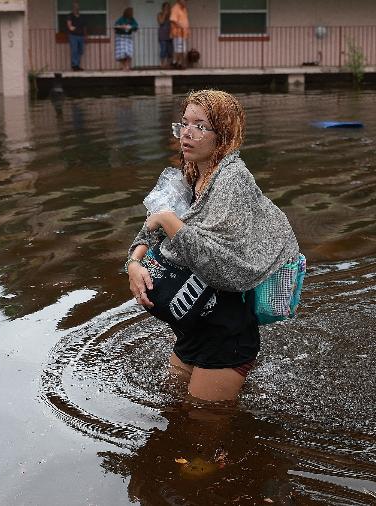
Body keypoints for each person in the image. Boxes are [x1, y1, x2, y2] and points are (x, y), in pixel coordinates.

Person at [125, 90, 299, 402]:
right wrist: (134, 264)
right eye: (184, 124)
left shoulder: (233, 180)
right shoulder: (189, 174)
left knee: (203, 425)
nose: (187, 133)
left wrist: (168, 221)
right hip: (192, 327)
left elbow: (223, 266)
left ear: (224, 136)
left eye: (200, 126)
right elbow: (148, 230)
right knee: (175, 406)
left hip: (224, 332)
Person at [169, 0, 190, 69]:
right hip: (178, 32)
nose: (186, 2)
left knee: (182, 49)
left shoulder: (184, 9)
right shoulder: (175, 8)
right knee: (179, 49)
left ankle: (178, 63)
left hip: (183, 33)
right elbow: (173, 20)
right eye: (184, 0)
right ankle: (177, 63)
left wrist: (186, 27)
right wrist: (181, 26)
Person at [66, 2, 86, 71]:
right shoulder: (70, 15)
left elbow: (84, 26)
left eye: (77, 7)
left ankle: (77, 65)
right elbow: (69, 24)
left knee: (80, 51)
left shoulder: (81, 16)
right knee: (74, 50)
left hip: (81, 36)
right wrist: (71, 27)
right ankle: (74, 65)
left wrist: (85, 35)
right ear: (73, 8)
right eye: (75, 7)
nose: (76, 8)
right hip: (73, 36)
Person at [157, 2, 173, 69]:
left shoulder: (171, 15)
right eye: (166, 7)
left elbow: (173, 24)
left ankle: (168, 64)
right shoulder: (159, 14)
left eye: (168, 7)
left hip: (170, 35)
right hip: (162, 35)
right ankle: (162, 64)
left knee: (170, 50)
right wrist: (164, 14)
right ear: (163, 8)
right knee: (163, 50)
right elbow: (161, 22)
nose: (167, 9)